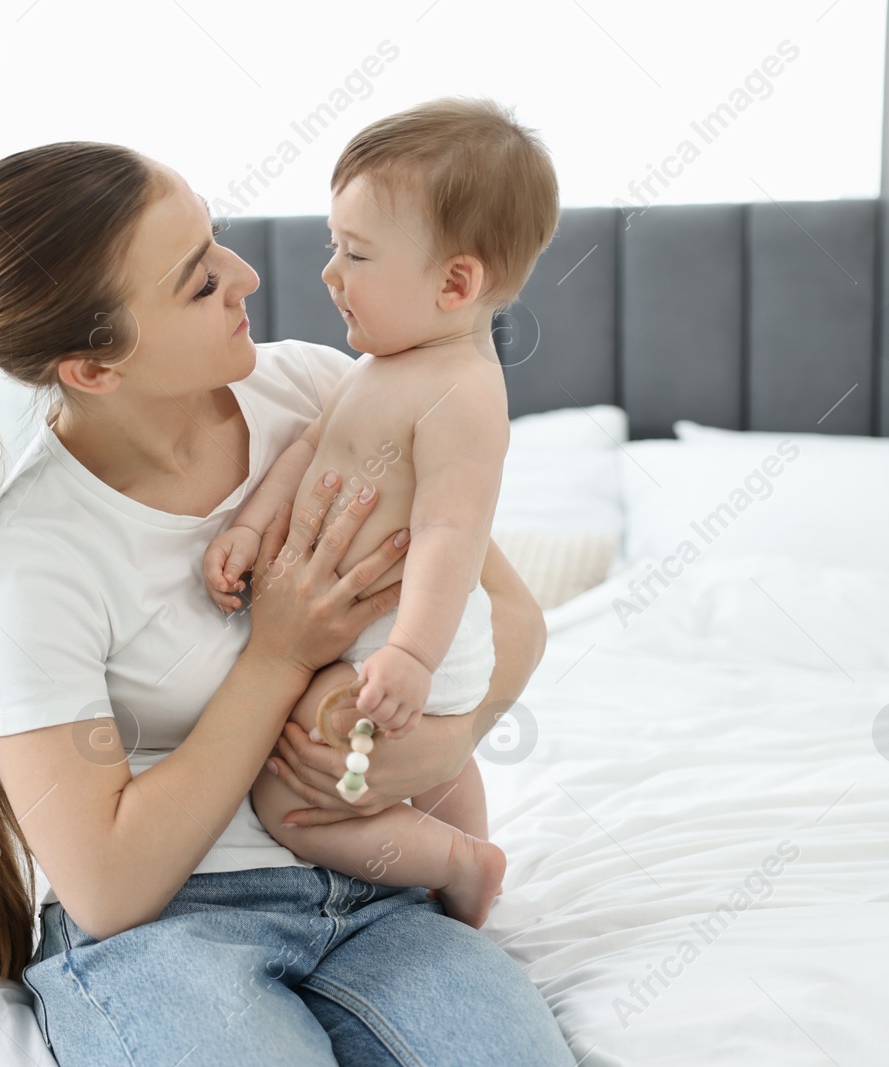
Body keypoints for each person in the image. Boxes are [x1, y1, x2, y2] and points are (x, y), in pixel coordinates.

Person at [0, 138, 575, 1065]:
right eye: (196, 280)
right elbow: (106, 886)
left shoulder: (319, 389)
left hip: (381, 891)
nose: (248, 273)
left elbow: (514, 620)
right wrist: (278, 655)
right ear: (95, 366)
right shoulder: (35, 559)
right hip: (171, 929)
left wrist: (447, 744)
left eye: (214, 238)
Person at [202, 99, 559, 929]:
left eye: (355, 253)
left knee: (288, 797)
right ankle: (462, 880)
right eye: (335, 245)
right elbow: (304, 454)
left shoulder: (464, 394)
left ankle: (462, 860)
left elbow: (450, 537)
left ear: (455, 283)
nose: (330, 273)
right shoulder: (381, 367)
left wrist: (409, 654)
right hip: (386, 642)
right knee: (433, 776)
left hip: (403, 642)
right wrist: (252, 528)